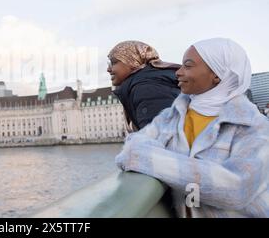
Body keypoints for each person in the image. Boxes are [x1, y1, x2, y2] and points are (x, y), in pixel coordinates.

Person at [115, 38, 269, 217]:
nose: (178, 72)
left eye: (187, 66)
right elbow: (131, 147)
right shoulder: (173, 114)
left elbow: (237, 188)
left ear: (217, 74)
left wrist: (148, 159)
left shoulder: (256, 128)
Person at [107, 40, 181, 132]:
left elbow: (157, 139)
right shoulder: (152, 81)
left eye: (113, 63)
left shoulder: (147, 88)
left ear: (132, 60)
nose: (108, 69)